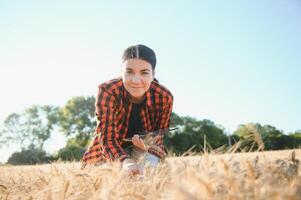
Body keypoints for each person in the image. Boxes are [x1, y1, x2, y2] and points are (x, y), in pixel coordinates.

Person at [81, 44, 173, 174]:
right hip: (110, 150)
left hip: (143, 149)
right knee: (104, 178)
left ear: (153, 75)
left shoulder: (164, 97)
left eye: (144, 72)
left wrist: (148, 144)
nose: (136, 80)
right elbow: (107, 139)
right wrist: (125, 162)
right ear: (121, 72)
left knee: (150, 173)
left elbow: (159, 136)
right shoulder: (107, 91)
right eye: (129, 72)